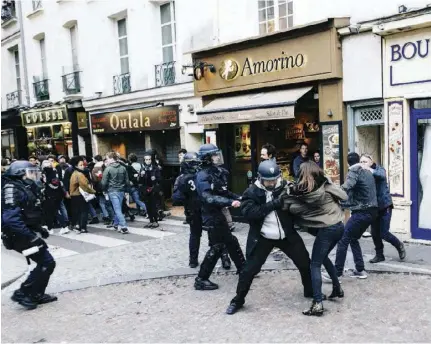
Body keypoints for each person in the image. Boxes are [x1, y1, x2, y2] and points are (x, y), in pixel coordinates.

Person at [225, 160, 312, 315]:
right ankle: (238, 300)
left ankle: (310, 290)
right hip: (263, 237)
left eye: (274, 179)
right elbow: (250, 214)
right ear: (260, 178)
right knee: (249, 270)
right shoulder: (251, 192)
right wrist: (273, 204)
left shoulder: (285, 186)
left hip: (286, 234)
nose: (272, 183)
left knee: (305, 262)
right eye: (268, 180)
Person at [283, 161, 347, 316]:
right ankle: (337, 288)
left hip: (326, 229)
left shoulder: (301, 193)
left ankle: (318, 303)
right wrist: (328, 181)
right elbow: (344, 196)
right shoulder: (326, 187)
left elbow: (290, 206)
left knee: (315, 264)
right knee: (323, 258)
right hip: (339, 226)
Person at [1, 161, 57, 309]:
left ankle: (36, 294)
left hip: (24, 232)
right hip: (18, 235)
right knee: (47, 262)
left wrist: (39, 228)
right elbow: (11, 219)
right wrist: (30, 237)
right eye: (30, 172)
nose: (33, 175)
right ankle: (24, 292)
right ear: (20, 173)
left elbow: (28, 213)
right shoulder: (12, 189)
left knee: (46, 262)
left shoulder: (22, 187)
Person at [194, 143, 245, 291]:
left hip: (218, 214)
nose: (218, 157)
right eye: (215, 155)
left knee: (230, 241)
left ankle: (243, 269)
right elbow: (207, 198)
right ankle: (201, 279)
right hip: (210, 215)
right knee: (217, 247)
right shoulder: (202, 175)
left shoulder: (216, 172)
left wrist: (240, 198)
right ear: (207, 158)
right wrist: (231, 202)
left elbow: (224, 192)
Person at [332, 152, 378, 280]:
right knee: (353, 238)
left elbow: (347, 187)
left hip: (362, 211)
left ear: (347, 163)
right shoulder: (367, 171)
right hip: (372, 211)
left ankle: (337, 273)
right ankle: (360, 270)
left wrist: (333, 194)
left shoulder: (354, 170)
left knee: (343, 239)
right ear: (358, 160)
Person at [360, 154, 406, 263]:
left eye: (365, 161)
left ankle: (399, 245)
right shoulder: (363, 173)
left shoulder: (379, 169)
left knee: (384, 233)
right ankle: (379, 255)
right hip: (373, 207)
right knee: (375, 233)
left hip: (385, 205)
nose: (363, 164)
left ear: (371, 161)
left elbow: (381, 175)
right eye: (361, 162)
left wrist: (369, 169)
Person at [172, 152, 204, 268]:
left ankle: (193, 260)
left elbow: (176, 198)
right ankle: (224, 258)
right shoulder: (202, 175)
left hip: (193, 210)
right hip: (204, 209)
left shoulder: (182, 178)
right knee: (215, 235)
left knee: (195, 235)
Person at [101, 152, 130, 234]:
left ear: (111, 159)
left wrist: (103, 190)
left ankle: (124, 227)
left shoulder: (108, 169)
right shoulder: (123, 168)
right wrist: (127, 190)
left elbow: (104, 182)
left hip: (112, 191)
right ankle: (116, 224)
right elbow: (127, 181)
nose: (106, 160)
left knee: (117, 209)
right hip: (121, 190)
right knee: (118, 208)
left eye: (107, 158)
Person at [41, 160, 69, 235]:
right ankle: (61, 226)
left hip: (50, 195)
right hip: (58, 195)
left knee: (51, 212)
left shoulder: (46, 173)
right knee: (54, 211)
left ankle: (54, 227)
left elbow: (46, 184)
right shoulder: (55, 172)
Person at [69, 156, 96, 233]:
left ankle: (77, 226)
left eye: (83, 164)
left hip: (74, 195)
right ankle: (82, 227)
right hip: (80, 195)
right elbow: (85, 186)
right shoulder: (80, 174)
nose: (83, 166)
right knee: (84, 211)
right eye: (81, 165)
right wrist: (93, 191)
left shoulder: (74, 173)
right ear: (76, 166)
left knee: (77, 211)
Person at [141, 151, 161, 228]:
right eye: (146, 159)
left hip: (153, 189)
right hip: (146, 190)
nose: (148, 161)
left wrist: (155, 178)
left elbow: (160, 179)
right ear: (144, 160)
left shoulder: (155, 168)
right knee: (148, 206)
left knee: (153, 206)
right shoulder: (143, 168)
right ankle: (150, 221)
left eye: (149, 159)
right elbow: (140, 181)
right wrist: (141, 175)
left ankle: (155, 221)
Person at [92, 155, 114, 225]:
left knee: (104, 203)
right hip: (108, 188)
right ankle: (111, 217)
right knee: (107, 203)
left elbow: (95, 180)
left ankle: (108, 217)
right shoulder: (108, 167)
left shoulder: (97, 168)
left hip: (103, 188)